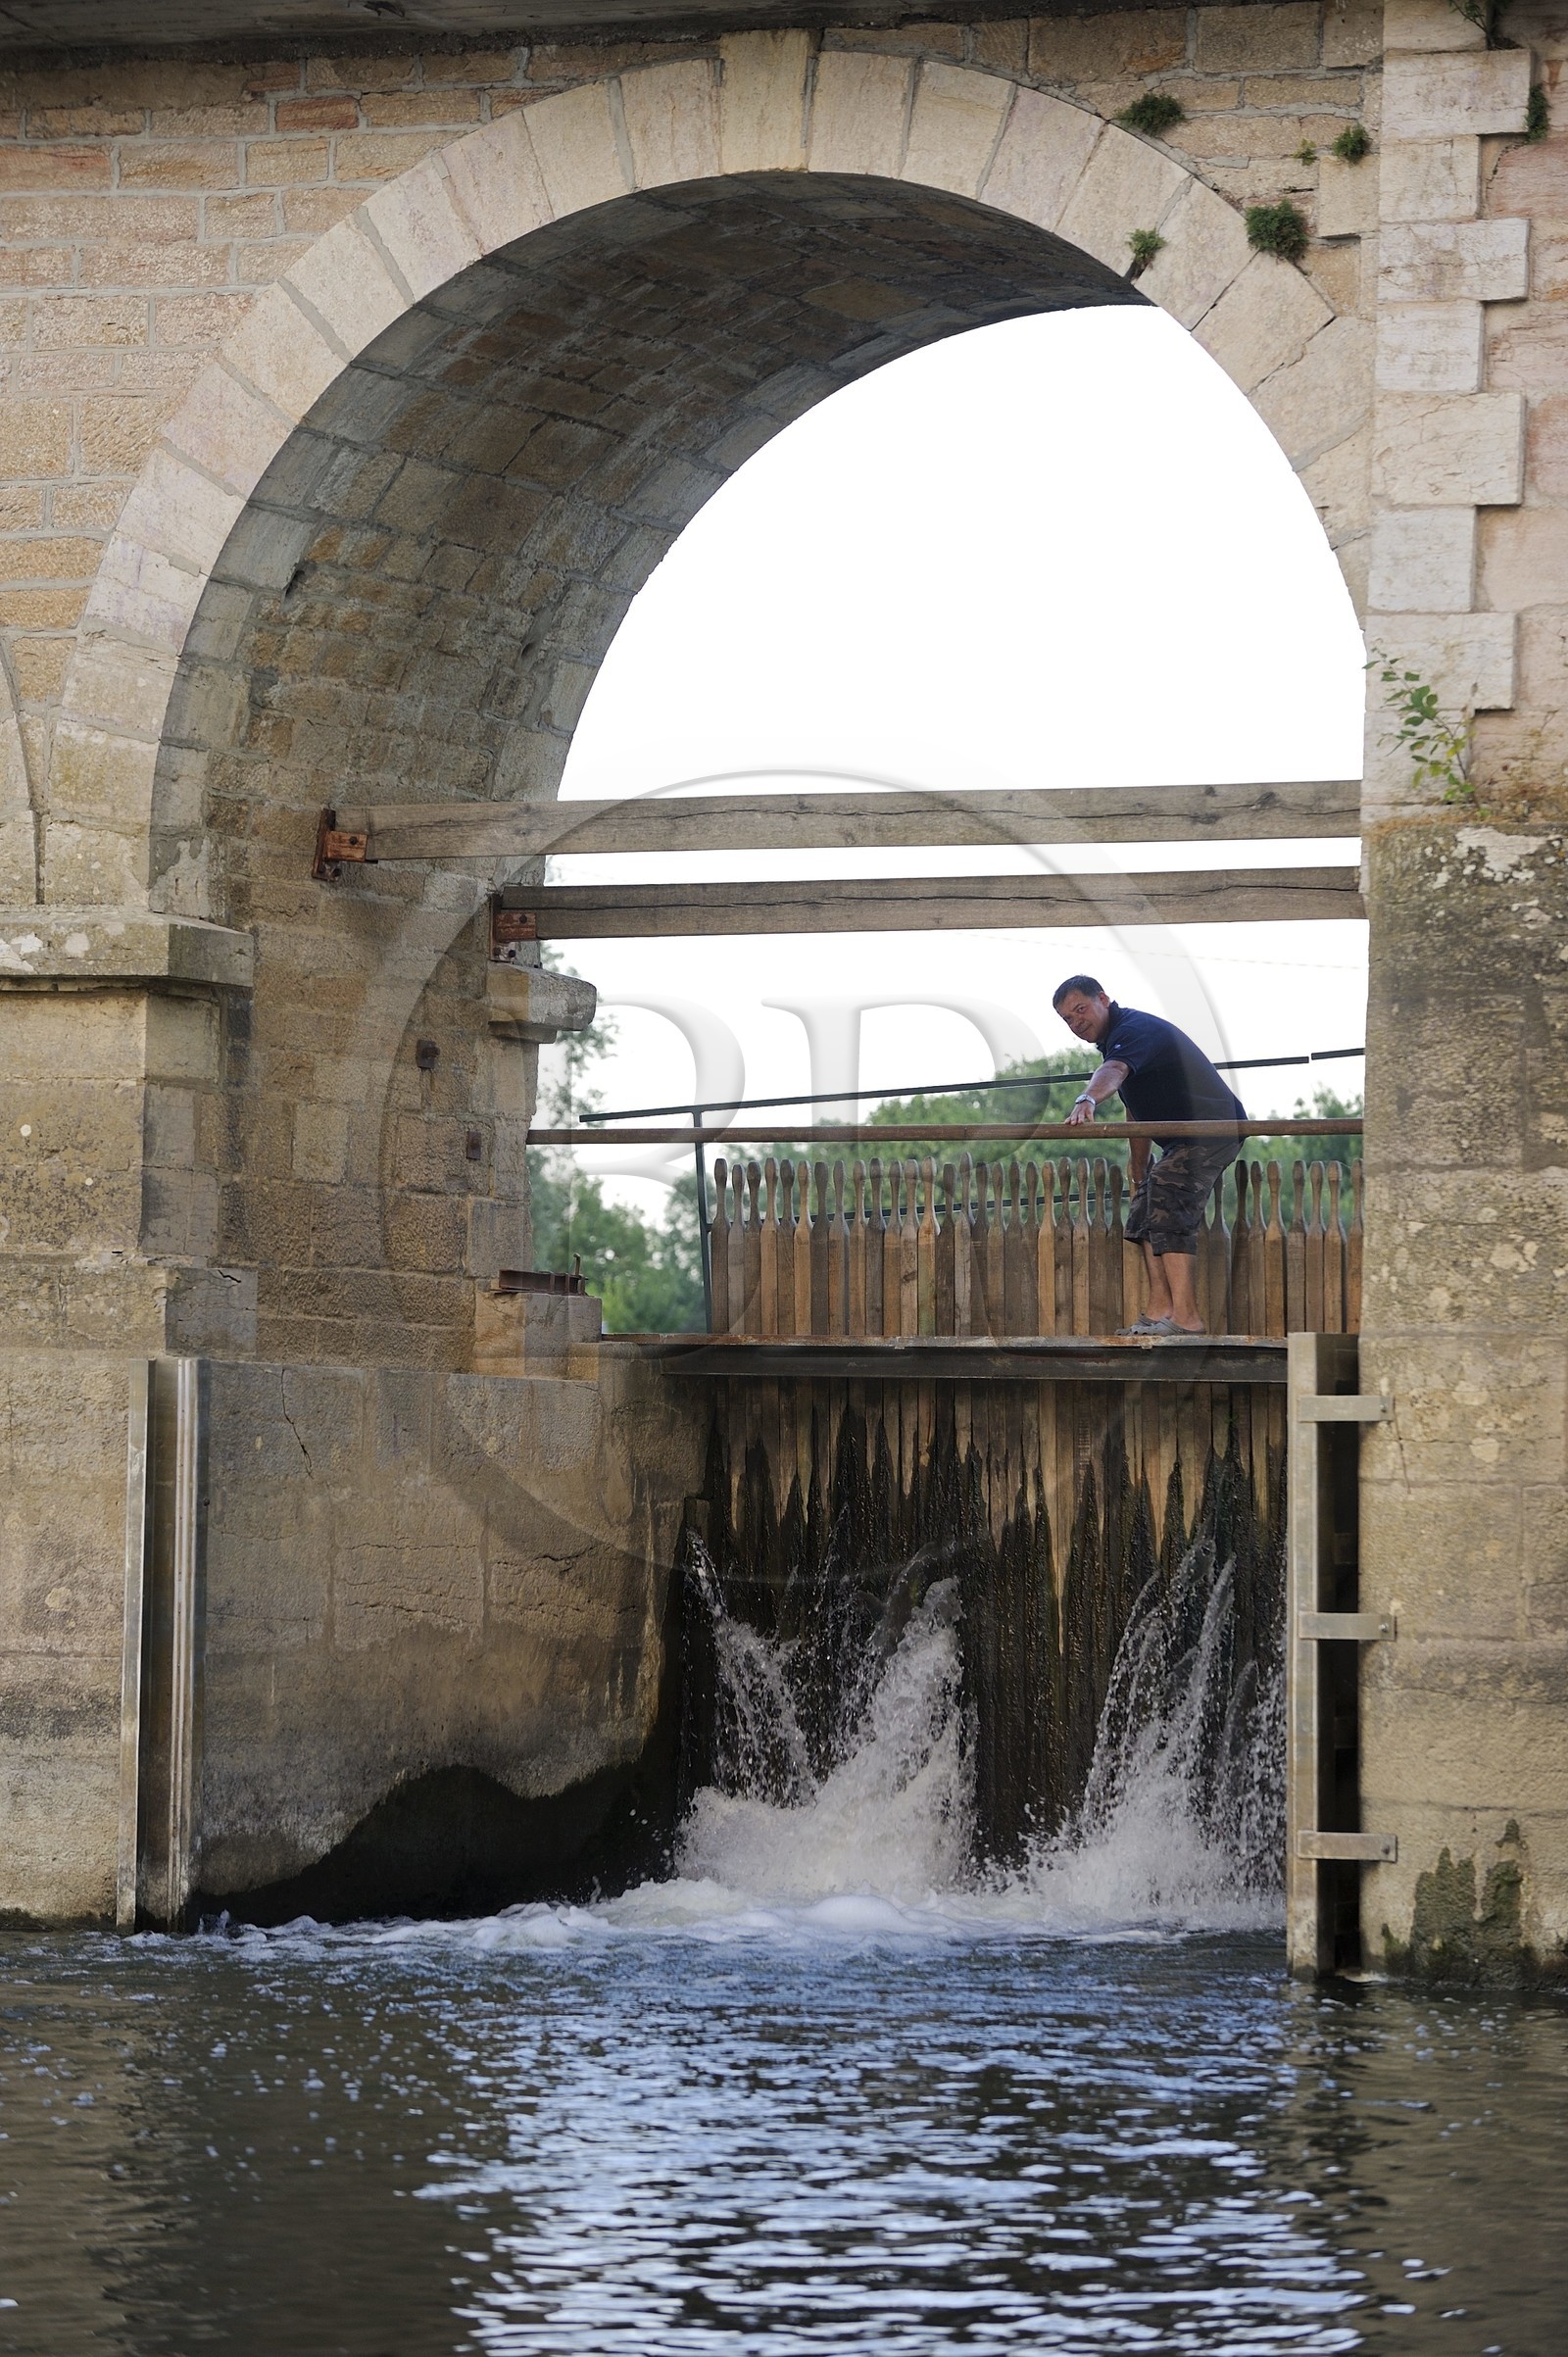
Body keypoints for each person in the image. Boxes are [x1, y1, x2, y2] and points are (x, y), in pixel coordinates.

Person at [1053, 975, 1245, 1336]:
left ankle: (1187, 1318)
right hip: (1180, 1141)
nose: (1077, 1022)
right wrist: (1138, 1168)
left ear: (1104, 999)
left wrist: (1087, 1098)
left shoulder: (1133, 1030)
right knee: (1143, 1210)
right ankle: (1160, 1311)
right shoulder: (1118, 1044)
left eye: (1081, 1010)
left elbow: (1112, 1072)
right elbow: (1136, 1111)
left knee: (1168, 1197)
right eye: (1068, 1019)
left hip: (1212, 1129)